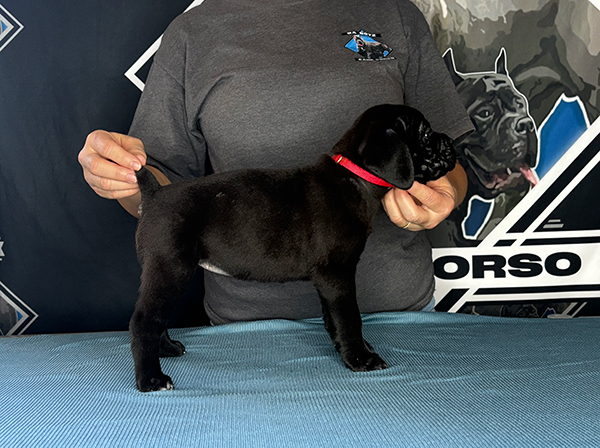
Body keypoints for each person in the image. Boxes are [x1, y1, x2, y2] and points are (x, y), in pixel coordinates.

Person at [78, 0, 473, 325]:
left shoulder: (395, 14)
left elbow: (445, 161)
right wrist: (124, 176)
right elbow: (160, 194)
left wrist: (446, 193)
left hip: (399, 315)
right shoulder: (192, 33)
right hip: (250, 326)